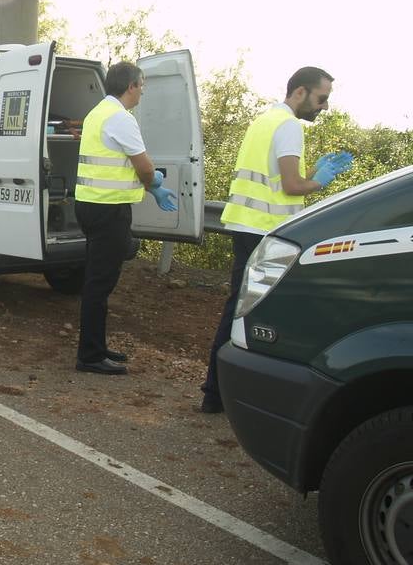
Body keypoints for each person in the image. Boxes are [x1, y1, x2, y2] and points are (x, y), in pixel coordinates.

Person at [199, 66, 353, 413]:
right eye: (321, 98)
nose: (324, 107)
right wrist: (320, 182)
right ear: (300, 92)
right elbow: (291, 186)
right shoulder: (288, 127)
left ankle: (219, 393)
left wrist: (315, 169)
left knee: (240, 310)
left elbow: (277, 178)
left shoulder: (265, 120)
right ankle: (219, 394)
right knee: (248, 313)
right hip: (266, 233)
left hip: (247, 226)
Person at [73, 62, 178, 376]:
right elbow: (143, 166)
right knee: (99, 284)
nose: (143, 90)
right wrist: (154, 183)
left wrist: (150, 181)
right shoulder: (121, 118)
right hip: (109, 210)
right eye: (142, 85)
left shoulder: (98, 113)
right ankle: (90, 356)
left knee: (96, 281)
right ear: (131, 85)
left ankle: (96, 348)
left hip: (92, 205)